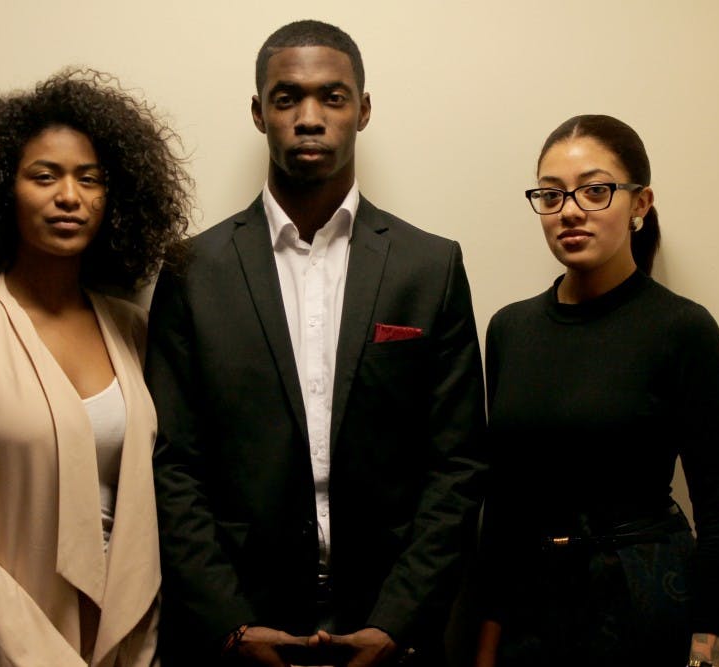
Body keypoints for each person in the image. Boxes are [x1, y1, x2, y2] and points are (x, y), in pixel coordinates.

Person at [146, 19, 487, 667]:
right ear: (258, 112)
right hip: (237, 630)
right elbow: (172, 465)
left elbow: (459, 464)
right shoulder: (193, 269)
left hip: (391, 629)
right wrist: (231, 624)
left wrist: (397, 623)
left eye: (332, 97)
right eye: (286, 98)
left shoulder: (429, 266)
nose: (309, 117)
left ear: (362, 110)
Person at [0, 69, 191, 666]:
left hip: (124, 642)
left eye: (90, 179)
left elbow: (152, 513)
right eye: (44, 176)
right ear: (3, 189)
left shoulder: (133, 329)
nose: (69, 197)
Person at [474, 115, 719, 667]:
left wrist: (710, 650)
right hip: (533, 613)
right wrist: (485, 648)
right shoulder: (510, 330)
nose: (570, 210)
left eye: (595, 190)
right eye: (550, 196)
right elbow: (503, 508)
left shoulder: (681, 329)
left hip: (644, 603)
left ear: (640, 204)